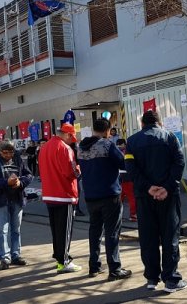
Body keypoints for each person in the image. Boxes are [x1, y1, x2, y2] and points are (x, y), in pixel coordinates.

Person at [125, 110, 187, 293]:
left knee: (148, 237)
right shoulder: (169, 137)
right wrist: (166, 187)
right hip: (168, 196)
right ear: (159, 123)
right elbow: (179, 162)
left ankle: (152, 277)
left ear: (142, 124)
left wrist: (147, 187)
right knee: (170, 236)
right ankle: (171, 279)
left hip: (144, 197)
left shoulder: (132, 141)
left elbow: (130, 168)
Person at [78, 118, 132, 281]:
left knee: (94, 231)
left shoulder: (80, 148)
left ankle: (94, 266)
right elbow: (123, 164)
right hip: (109, 194)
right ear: (107, 131)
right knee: (112, 232)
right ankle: (114, 268)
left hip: (90, 196)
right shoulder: (107, 145)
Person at [38, 124, 83, 274]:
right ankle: (63, 261)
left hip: (49, 193)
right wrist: (78, 170)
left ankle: (58, 255)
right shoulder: (65, 149)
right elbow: (70, 172)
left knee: (56, 229)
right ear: (68, 135)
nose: (72, 141)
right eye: (72, 137)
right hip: (64, 194)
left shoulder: (44, 147)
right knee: (65, 230)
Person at [0, 140, 33, 270]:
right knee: (2, 230)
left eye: (10, 152)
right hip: (1, 199)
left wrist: (21, 183)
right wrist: (6, 182)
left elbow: (28, 175)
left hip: (17, 198)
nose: (8, 155)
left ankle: (15, 255)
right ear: (0, 151)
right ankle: (4, 257)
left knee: (16, 229)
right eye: (5, 153)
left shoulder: (18, 158)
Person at [116, 139, 136, 222]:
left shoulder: (120, 152)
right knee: (130, 197)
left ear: (125, 144)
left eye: (120, 145)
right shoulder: (129, 151)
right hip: (125, 178)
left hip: (124, 178)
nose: (119, 146)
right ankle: (133, 215)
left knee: (123, 198)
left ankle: (131, 215)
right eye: (118, 145)